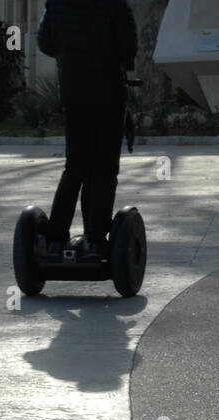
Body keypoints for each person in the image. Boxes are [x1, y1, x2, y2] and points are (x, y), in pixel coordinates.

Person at [37, 0, 138, 261]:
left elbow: (45, 43)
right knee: (104, 168)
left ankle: (55, 241)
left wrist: (71, 54)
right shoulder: (115, 4)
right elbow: (129, 47)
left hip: (73, 90)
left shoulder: (56, 4)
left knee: (75, 166)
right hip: (107, 92)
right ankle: (94, 240)